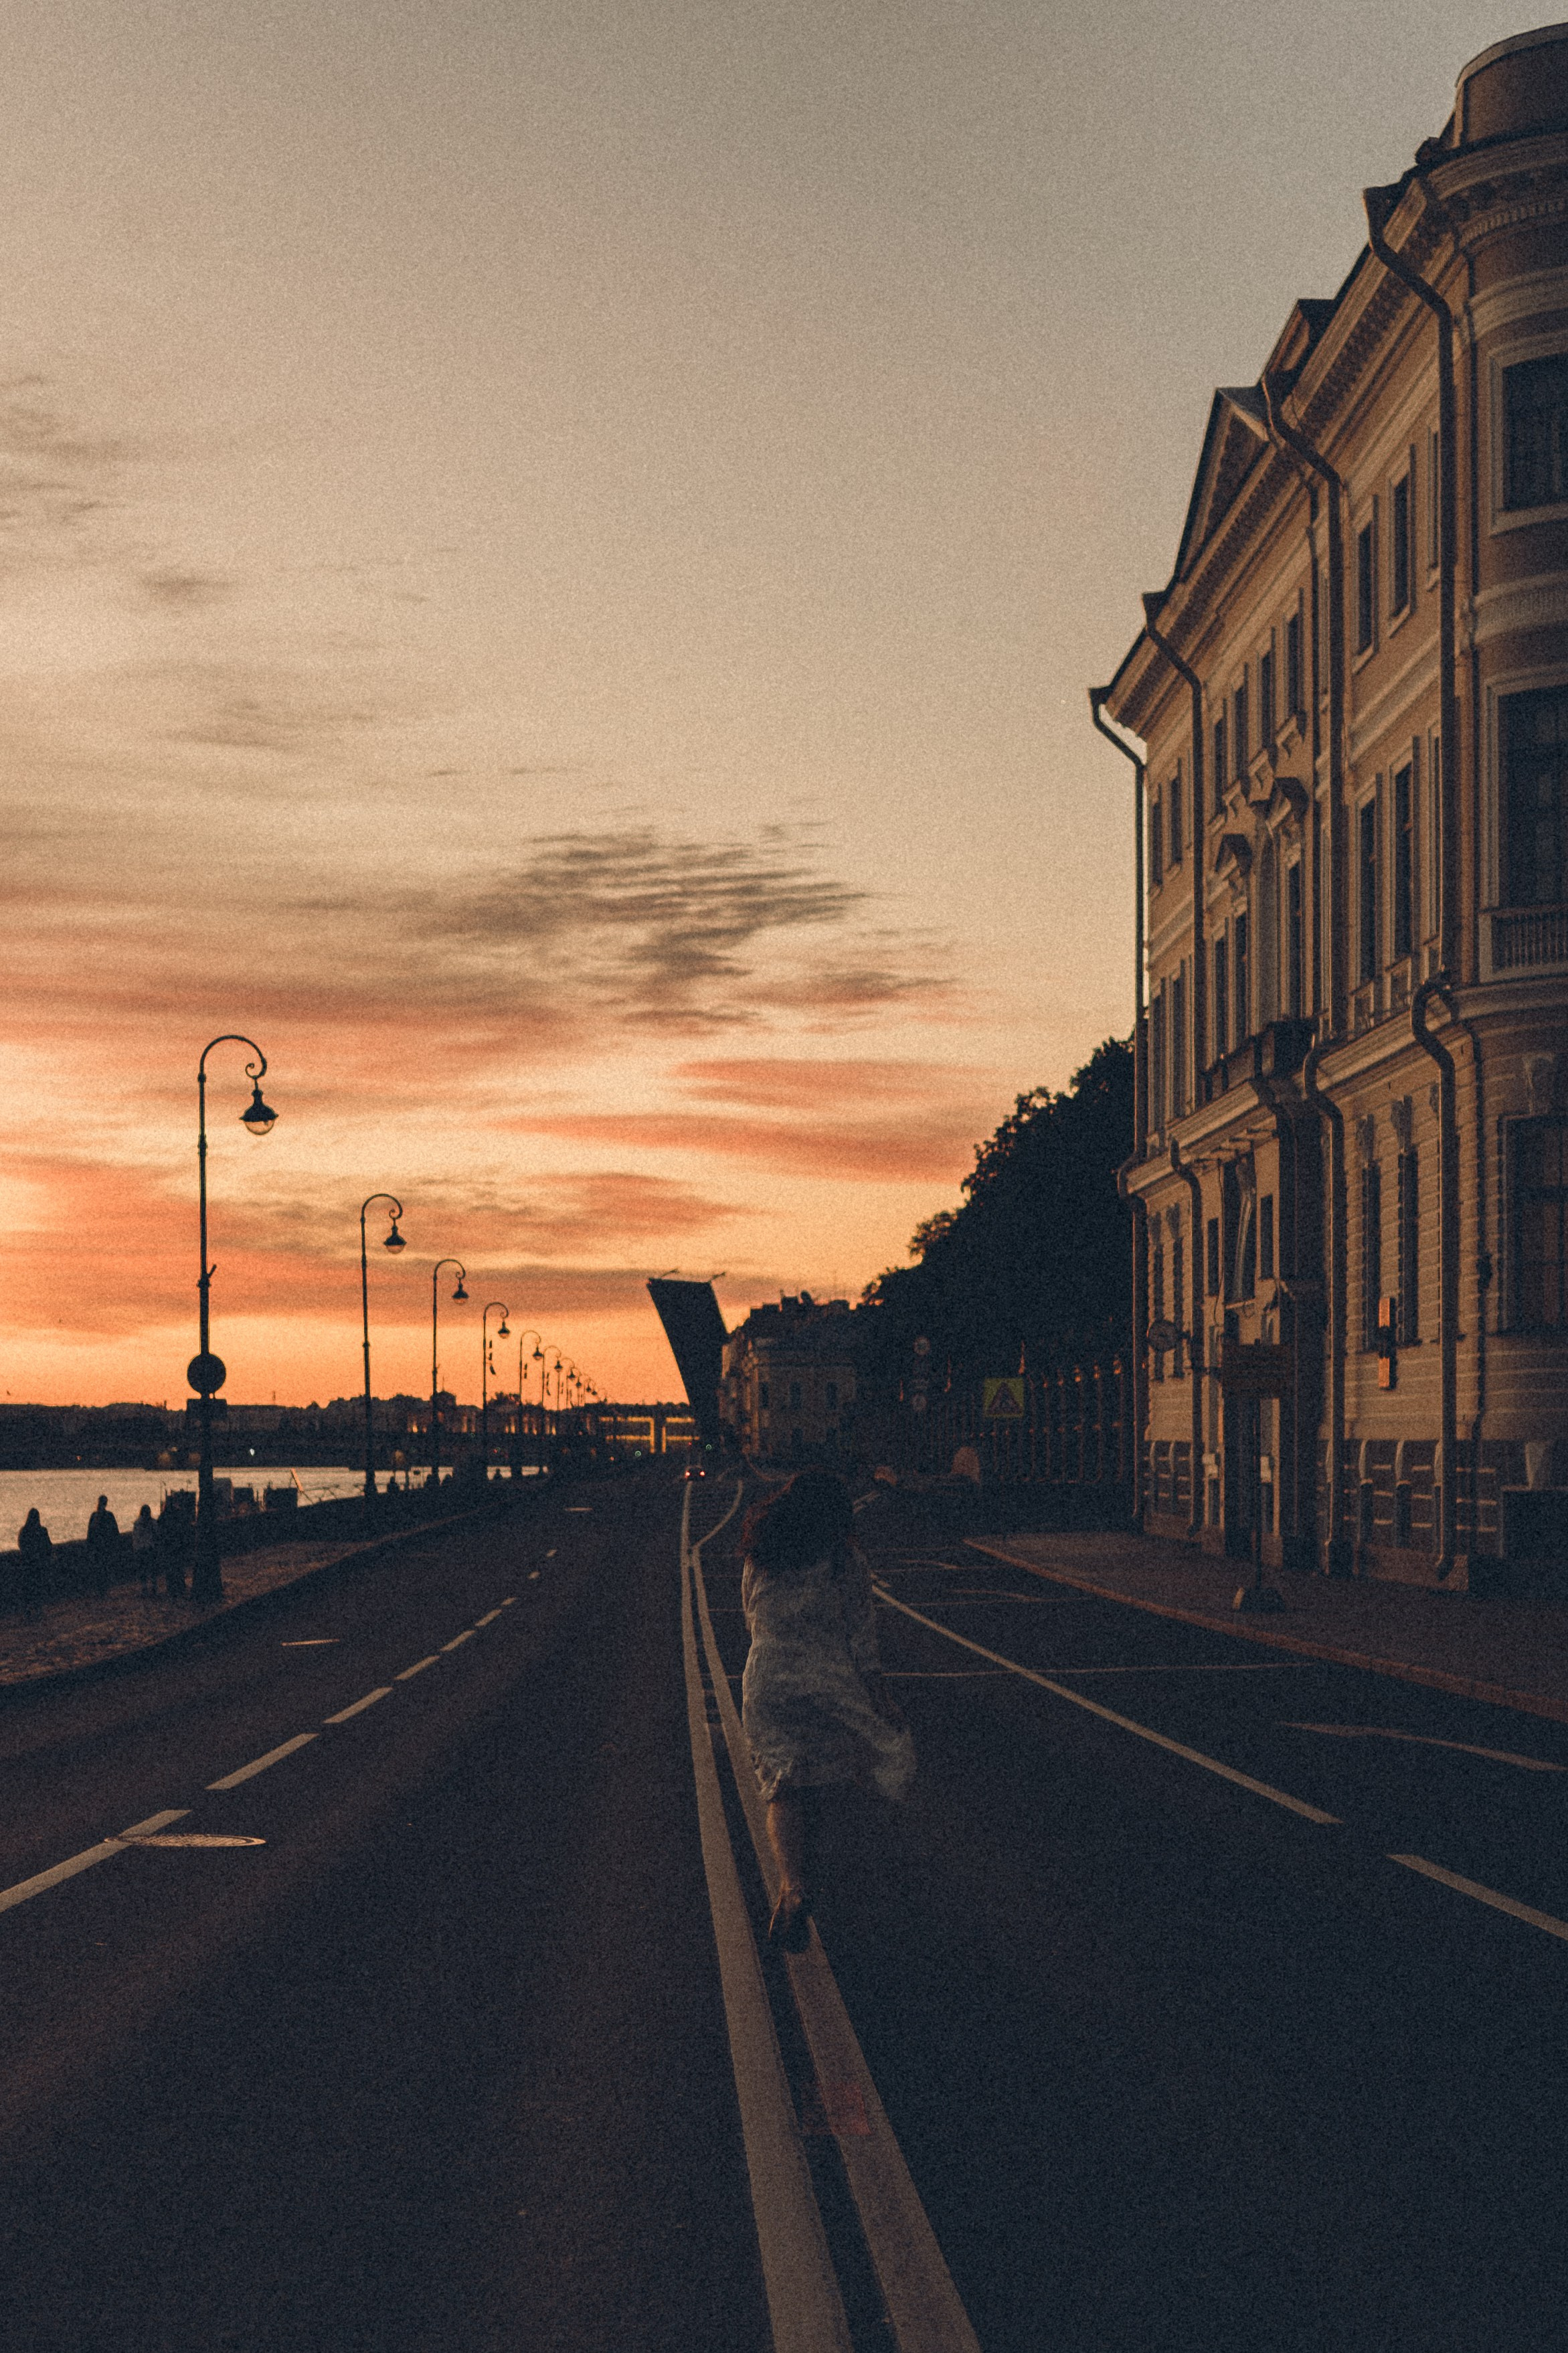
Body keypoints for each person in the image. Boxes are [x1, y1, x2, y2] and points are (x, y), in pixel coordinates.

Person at [739, 1469, 915, 1953]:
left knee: (782, 1784)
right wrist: (878, 1696)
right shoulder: (843, 1558)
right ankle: (833, 1883)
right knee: (827, 1780)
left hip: (769, 1679)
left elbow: (751, 1614)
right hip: (827, 1680)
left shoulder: (761, 1553)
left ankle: (792, 1886)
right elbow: (861, 1632)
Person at [84, 1495, 120, 1600]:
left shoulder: (95, 1516)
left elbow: (90, 1533)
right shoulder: (108, 1516)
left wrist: (89, 1547)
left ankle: (101, 1591)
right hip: (105, 1548)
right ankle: (103, 1591)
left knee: (99, 1569)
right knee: (104, 1569)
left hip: (98, 1548)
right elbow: (115, 1532)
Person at [17, 1508, 52, 1621]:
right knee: (38, 1587)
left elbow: (21, 1544)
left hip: (27, 1564)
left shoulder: (24, 1531)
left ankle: (27, 1611)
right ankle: (38, 1610)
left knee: (27, 1588)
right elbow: (48, 1546)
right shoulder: (42, 1531)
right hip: (39, 1564)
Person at [131, 1503, 158, 1596]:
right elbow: (157, 1535)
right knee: (152, 1569)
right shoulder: (153, 1523)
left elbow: (135, 1537)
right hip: (150, 1548)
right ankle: (154, 1587)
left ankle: (144, 1588)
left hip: (141, 1549)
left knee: (143, 1570)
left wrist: (135, 1548)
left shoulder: (137, 1524)